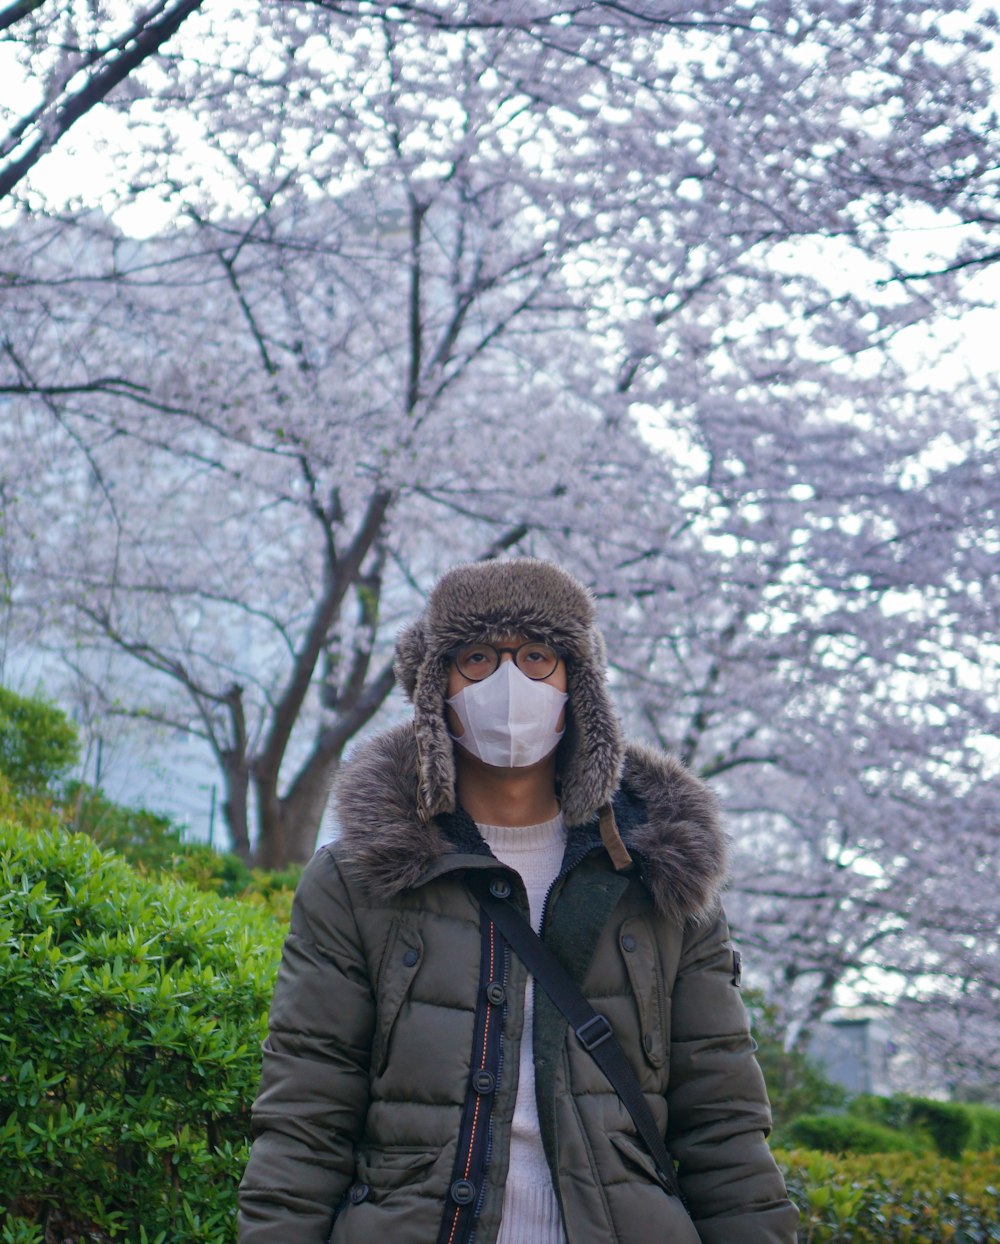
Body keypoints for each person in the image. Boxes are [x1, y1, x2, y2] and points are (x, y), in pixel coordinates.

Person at [238, 558, 798, 1244]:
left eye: (537, 657)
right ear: (434, 685)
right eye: (476, 658)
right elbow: (304, 1118)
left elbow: (725, 1127)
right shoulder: (359, 880)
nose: (509, 683)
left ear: (577, 685)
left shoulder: (663, 875)